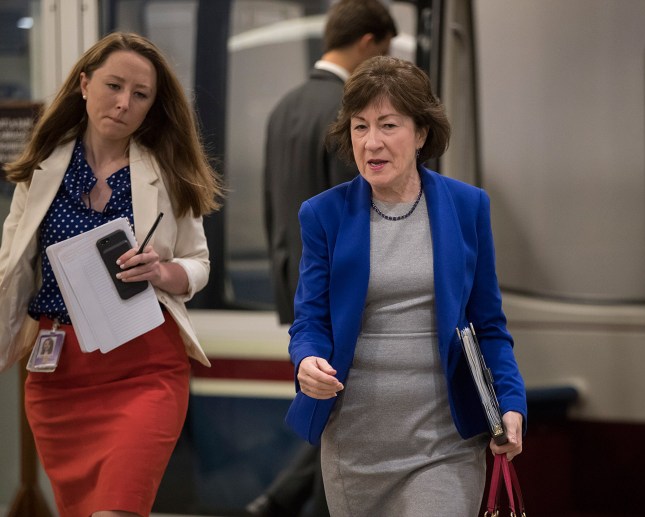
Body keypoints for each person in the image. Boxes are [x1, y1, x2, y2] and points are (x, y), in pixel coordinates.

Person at [284, 55, 527, 517]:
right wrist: (307, 359)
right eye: (359, 127)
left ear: (420, 134)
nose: (371, 142)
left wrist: (511, 401)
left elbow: (489, 325)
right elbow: (310, 320)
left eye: (388, 125)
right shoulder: (323, 214)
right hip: (354, 449)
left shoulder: (467, 206)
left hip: (446, 446)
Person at [0, 31, 222, 517]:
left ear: (150, 107)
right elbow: (9, 269)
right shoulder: (41, 168)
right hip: (58, 371)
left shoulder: (168, 170)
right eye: (114, 86)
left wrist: (163, 271)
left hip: (145, 366)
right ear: (84, 84)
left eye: (140, 95)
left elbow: (199, 264)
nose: (124, 103)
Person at [252, 2, 397, 516]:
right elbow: (357, 210)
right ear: (368, 43)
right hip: (343, 290)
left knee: (332, 406)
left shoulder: (284, 106)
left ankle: (279, 499)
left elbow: (273, 210)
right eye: (384, 51)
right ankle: (287, 500)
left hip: (299, 286)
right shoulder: (352, 114)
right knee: (344, 414)